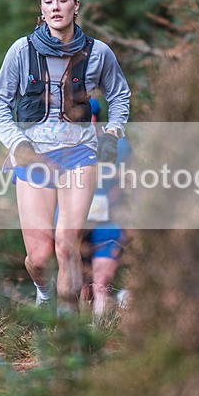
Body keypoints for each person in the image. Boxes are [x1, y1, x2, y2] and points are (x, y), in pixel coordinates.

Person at [0, 0, 131, 314]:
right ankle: (44, 292)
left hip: (80, 154)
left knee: (67, 244)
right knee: (39, 257)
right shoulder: (21, 51)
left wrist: (113, 133)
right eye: (48, 0)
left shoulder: (98, 53)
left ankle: (67, 324)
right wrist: (17, 144)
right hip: (33, 156)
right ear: (41, 9)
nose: (55, 6)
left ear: (76, 5)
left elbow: (120, 95)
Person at [81, 98, 132, 321]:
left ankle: (99, 332)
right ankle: (79, 333)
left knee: (101, 283)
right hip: (77, 225)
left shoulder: (120, 146)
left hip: (108, 223)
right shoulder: (68, 146)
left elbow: (130, 183)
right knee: (81, 286)